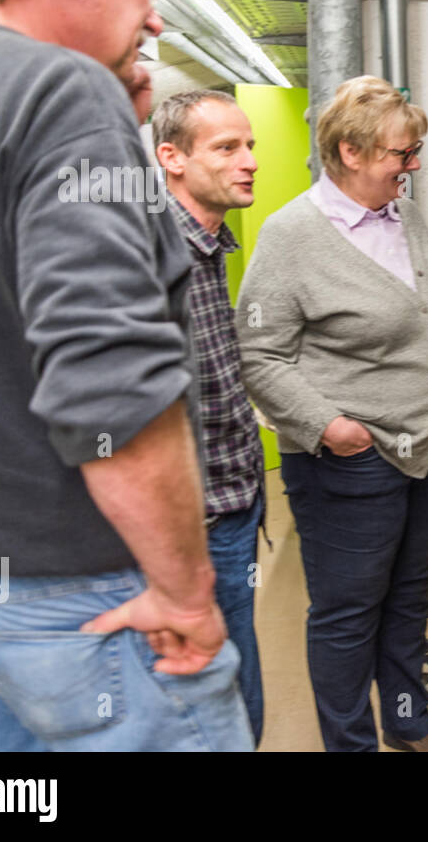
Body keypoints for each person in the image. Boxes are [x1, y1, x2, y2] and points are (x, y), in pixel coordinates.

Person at [0, 0, 252, 751]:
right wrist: (182, 589)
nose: (157, 21)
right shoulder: (56, 91)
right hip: (83, 598)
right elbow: (110, 391)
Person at [236, 75, 428, 752]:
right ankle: (351, 744)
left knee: (407, 599)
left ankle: (407, 720)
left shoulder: (402, 216)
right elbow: (260, 354)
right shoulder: (293, 236)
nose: (414, 165)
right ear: (350, 152)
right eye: (403, 153)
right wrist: (329, 428)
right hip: (350, 462)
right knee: (349, 614)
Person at [153, 90, 267, 745]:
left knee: (236, 659)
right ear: (171, 158)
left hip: (236, 495)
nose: (248, 161)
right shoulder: (155, 252)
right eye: (226, 148)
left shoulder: (211, 244)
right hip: (197, 514)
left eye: (250, 144)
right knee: (214, 678)